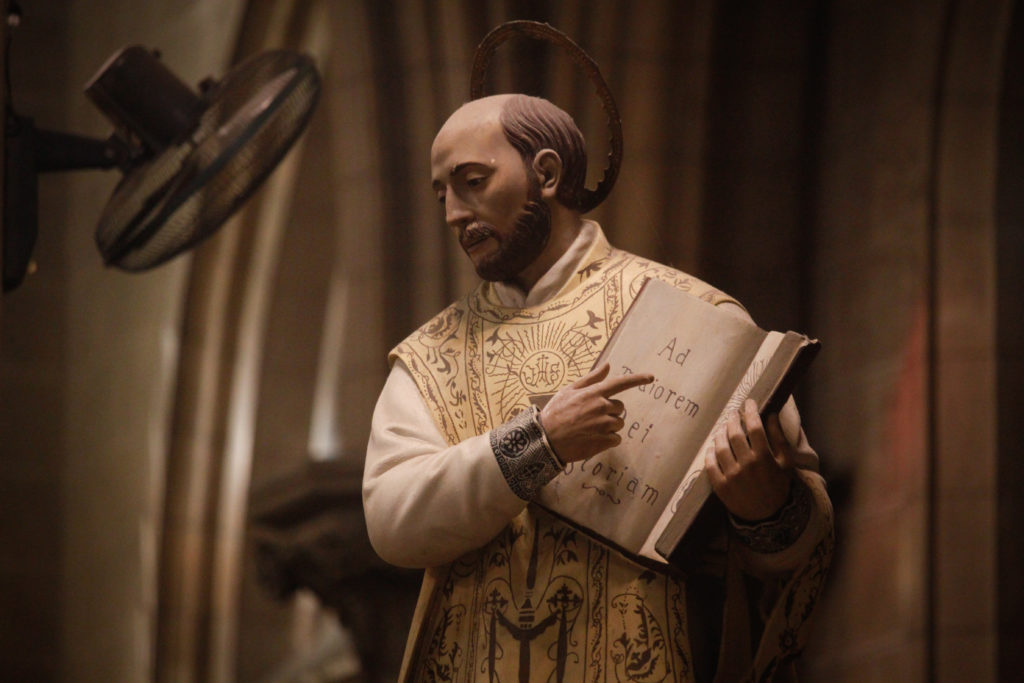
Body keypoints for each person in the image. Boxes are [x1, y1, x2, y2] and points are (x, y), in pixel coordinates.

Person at [363, 93, 833, 682]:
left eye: (473, 181)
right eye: (442, 194)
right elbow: (391, 519)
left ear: (548, 174)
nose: (455, 212)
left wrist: (765, 509)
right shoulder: (430, 355)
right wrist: (539, 443)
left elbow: (800, 544)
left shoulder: (699, 319)